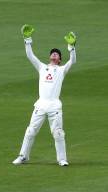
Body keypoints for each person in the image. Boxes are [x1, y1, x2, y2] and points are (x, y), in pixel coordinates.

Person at [13, 25, 77, 166]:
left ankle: (62, 159)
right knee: (30, 131)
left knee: (58, 133)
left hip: (54, 105)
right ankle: (23, 156)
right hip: (41, 105)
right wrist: (27, 39)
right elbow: (30, 55)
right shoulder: (42, 67)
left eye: (57, 53)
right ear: (50, 56)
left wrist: (71, 47)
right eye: (52, 53)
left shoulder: (61, 70)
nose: (54, 54)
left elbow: (72, 61)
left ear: (59, 59)